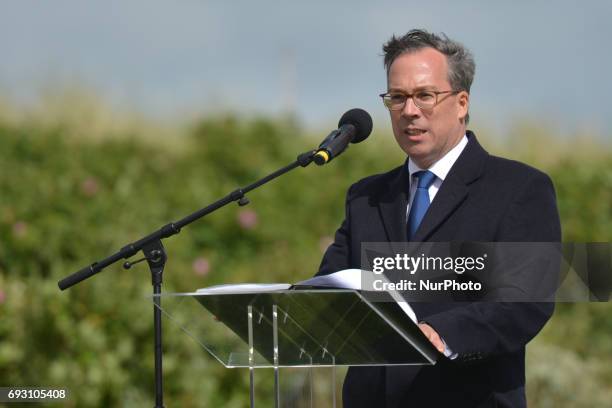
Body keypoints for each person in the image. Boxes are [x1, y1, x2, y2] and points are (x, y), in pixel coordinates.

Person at [317, 29, 561, 407]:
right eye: (397, 97)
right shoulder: (366, 197)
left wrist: (439, 333)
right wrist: (263, 315)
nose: (409, 111)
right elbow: (330, 291)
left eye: (424, 96)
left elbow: (526, 302)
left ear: (461, 102)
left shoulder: (518, 189)